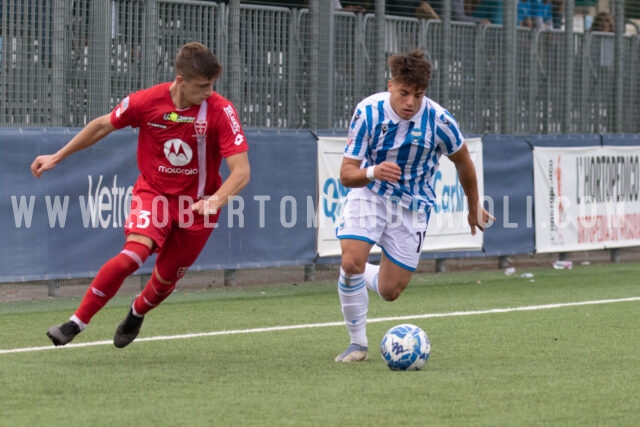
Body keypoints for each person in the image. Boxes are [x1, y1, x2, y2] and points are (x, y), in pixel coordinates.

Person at [31, 42, 251, 348]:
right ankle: (75, 323)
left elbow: (241, 171)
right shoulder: (147, 101)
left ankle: (137, 311)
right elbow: (102, 125)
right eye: (203, 86)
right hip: (154, 196)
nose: (209, 92)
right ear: (180, 81)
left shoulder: (221, 111)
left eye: (213, 85)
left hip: (199, 207)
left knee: (164, 282)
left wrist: (214, 200)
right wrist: (58, 156)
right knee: (132, 255)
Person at [333, 49, 494, 363]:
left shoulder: (439, 120)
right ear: (390, 84)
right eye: (404, 93)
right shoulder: (368, 112)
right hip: (371, 193)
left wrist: (473, 205)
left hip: (413, 207)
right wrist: (372, 171)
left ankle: (358, 271)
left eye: (418, 95)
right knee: (351, 262)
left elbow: (464, 163)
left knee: (390, 291)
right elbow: (346, 174)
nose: (410, 102)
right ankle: (357, 344)